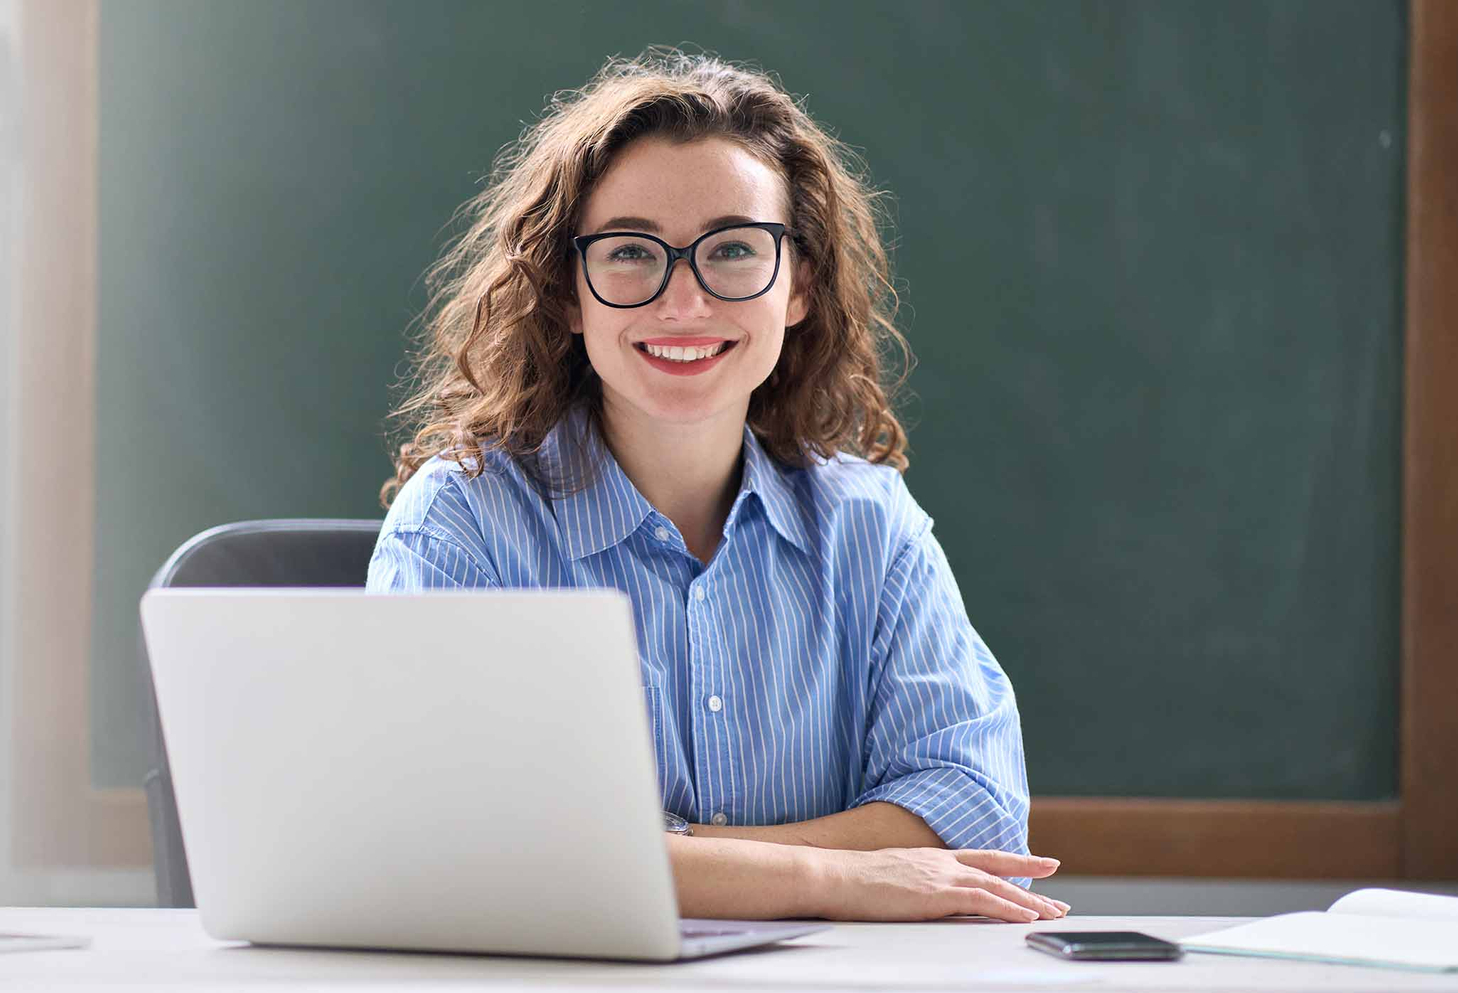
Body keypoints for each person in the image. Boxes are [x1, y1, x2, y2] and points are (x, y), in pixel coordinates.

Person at [366, 49, 1066, 924]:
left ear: (800, 284)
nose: (684, 302)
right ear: (568, 292)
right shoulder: (463, 524)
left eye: (733, 249)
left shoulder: (869, 525)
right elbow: (456, 845)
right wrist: (837, 875)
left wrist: (655, 855)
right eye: (629, 252)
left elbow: (972, 809)